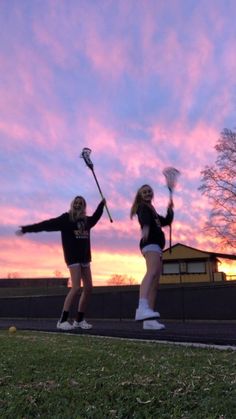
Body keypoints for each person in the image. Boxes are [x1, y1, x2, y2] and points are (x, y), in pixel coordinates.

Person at [16, 196, 105, 331]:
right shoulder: (65, 218)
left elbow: (96, 217)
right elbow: (46, 224)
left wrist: (102, 204)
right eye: (76, 202)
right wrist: (26, 229)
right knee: (76, 287)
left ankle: (79, 320)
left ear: (83, 206)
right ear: (72, 204)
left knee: (89, 288)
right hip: (73, 258)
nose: (77, 205)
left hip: (85, 258)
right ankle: (62, 320)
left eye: (80, 203)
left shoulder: (86, 221)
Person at [130, 184, 174, 330]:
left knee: (155, 283)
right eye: (144, 192)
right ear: (140, 195)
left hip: (156, 245)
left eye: (149, 191)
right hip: (150, 243)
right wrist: (146, 229)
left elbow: (166, 221)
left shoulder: (153, 210)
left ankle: (149, 320)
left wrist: (170, 210)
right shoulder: (143, 207)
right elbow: (144, 220)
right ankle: (141, 308)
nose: (147, 193)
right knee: (152, 272)